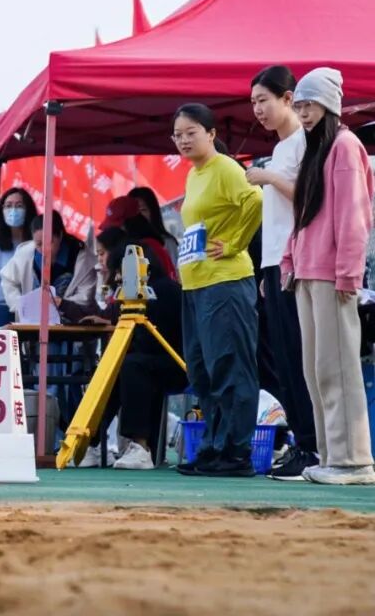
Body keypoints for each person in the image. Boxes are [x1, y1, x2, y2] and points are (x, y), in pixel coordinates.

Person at [281, 68, 375, 485]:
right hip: (309, 272)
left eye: (310, 105)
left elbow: (354, 216)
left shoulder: (345, 145)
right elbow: (303, 213)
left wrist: (348, 274)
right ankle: (332, 456)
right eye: (299, 105)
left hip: (333, 276)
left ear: (329, 106)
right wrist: (290, 260)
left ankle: (353, 461)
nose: (303, 113)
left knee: (336, 367)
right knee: (316, 370)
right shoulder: (317, 149)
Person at [172, 103, 263, 477]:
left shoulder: (225, 168)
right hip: (196, 284)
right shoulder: (194, 175)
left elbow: (255, 200)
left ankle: (236, 452)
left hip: (225, 281)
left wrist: (235, 243)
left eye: (191, 132)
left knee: (230, 367)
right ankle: (213, 446)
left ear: (211, 134)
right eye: (177, 135)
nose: (183, 140)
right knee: (202, 371)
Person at [244, 65, 319, 481]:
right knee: (283, 361)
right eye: (253, 102)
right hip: (274, 264)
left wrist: (268, 177)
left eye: (263, 100)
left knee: (299, 357)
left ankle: (312, 446)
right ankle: (302, 443)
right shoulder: (280, 148)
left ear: (288, 99)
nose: (258, 110)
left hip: (298, 263)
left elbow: (309, 197)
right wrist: (266, 268)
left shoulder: (305, 143)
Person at [81, 241, 186, 469]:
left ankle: (140, 446)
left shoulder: (163, 291)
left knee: (131, 366)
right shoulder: (131, 295)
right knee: (111, 369)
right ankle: (91, 442)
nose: (117, 278)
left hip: (176, 363)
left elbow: (154, 340)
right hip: (149, 359)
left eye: (119, 272)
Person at [0, 212, 97, 323]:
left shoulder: (81, 258)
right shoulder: (26, 253)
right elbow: (8, 280)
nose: (44, 249)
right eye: (39, 244)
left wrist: (61, 304)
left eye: (49, 242)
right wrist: (20, 304)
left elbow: (85, 297)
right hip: (32, 323)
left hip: (72, 325)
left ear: (60, 236)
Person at [0, 187, 38, 337]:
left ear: (28, 209)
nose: (13, 210)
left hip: (33, 309)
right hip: (3, 309)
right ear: (1, 210)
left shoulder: (37, 241)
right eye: (8, 206)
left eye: (19, 206)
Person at [99, 196, 177, 280]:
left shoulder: (146, 248)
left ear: (131, 223)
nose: (111, 233)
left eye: (116, 227)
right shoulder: (148, 245)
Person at [127, 186, 181, 267]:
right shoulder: (125, 248)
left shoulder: (167, 243)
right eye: (134, 212)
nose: (138, 216)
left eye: (143, 210)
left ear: (153, 212)